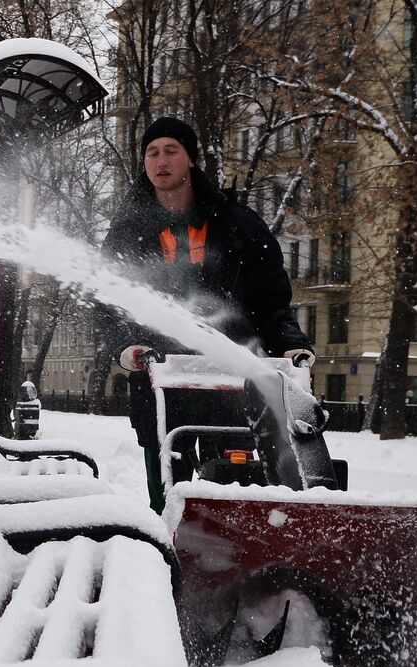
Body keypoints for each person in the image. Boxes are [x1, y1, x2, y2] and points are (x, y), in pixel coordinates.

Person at [100, 116, 314, 512]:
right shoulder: (127, 232)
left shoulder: (237, 225)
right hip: (159, 382)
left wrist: (290, 344)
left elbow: (270, 298)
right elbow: (109, 301)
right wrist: (124, 347)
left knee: (232, 491)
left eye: (170, 150)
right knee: (165, 496)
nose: (160, 160)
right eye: (151, 153)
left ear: (191, 160)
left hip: (227, 383)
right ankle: (166, 559)